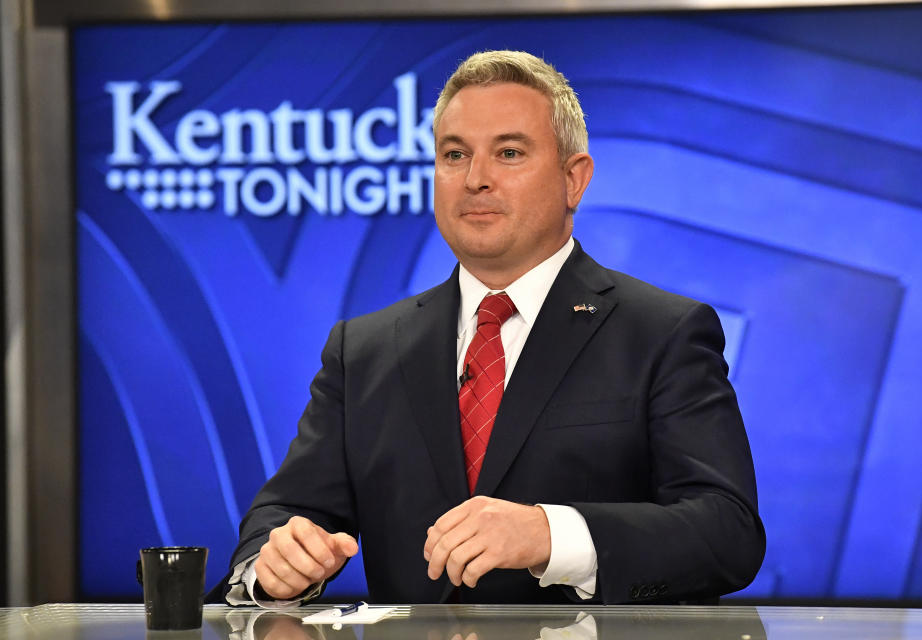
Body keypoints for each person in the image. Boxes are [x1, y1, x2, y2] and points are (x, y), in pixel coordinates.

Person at [217, 50, 764, 606]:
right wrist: (273, 566)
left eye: (508, 152)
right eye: (455, 154)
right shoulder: (364, 349)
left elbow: (726, 531)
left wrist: (553, 534)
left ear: (574, 180)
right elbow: (284, 513)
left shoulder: (662, 332)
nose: (476, 179)